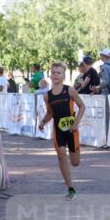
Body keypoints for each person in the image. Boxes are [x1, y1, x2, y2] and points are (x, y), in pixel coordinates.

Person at [38, 62, 86, 200]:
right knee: (60, 154)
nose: (55, 75)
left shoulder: (70, 90)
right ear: (50, 75)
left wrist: (76, 123)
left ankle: (75, 152)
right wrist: (42, 122)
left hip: (72, 130)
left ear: (64, 75)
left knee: (75, 162)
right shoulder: (47, 96)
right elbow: (50, 113)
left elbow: (82, 106)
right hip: (58, 130)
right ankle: (70, 188)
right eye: (53, 72)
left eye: (58, 72)